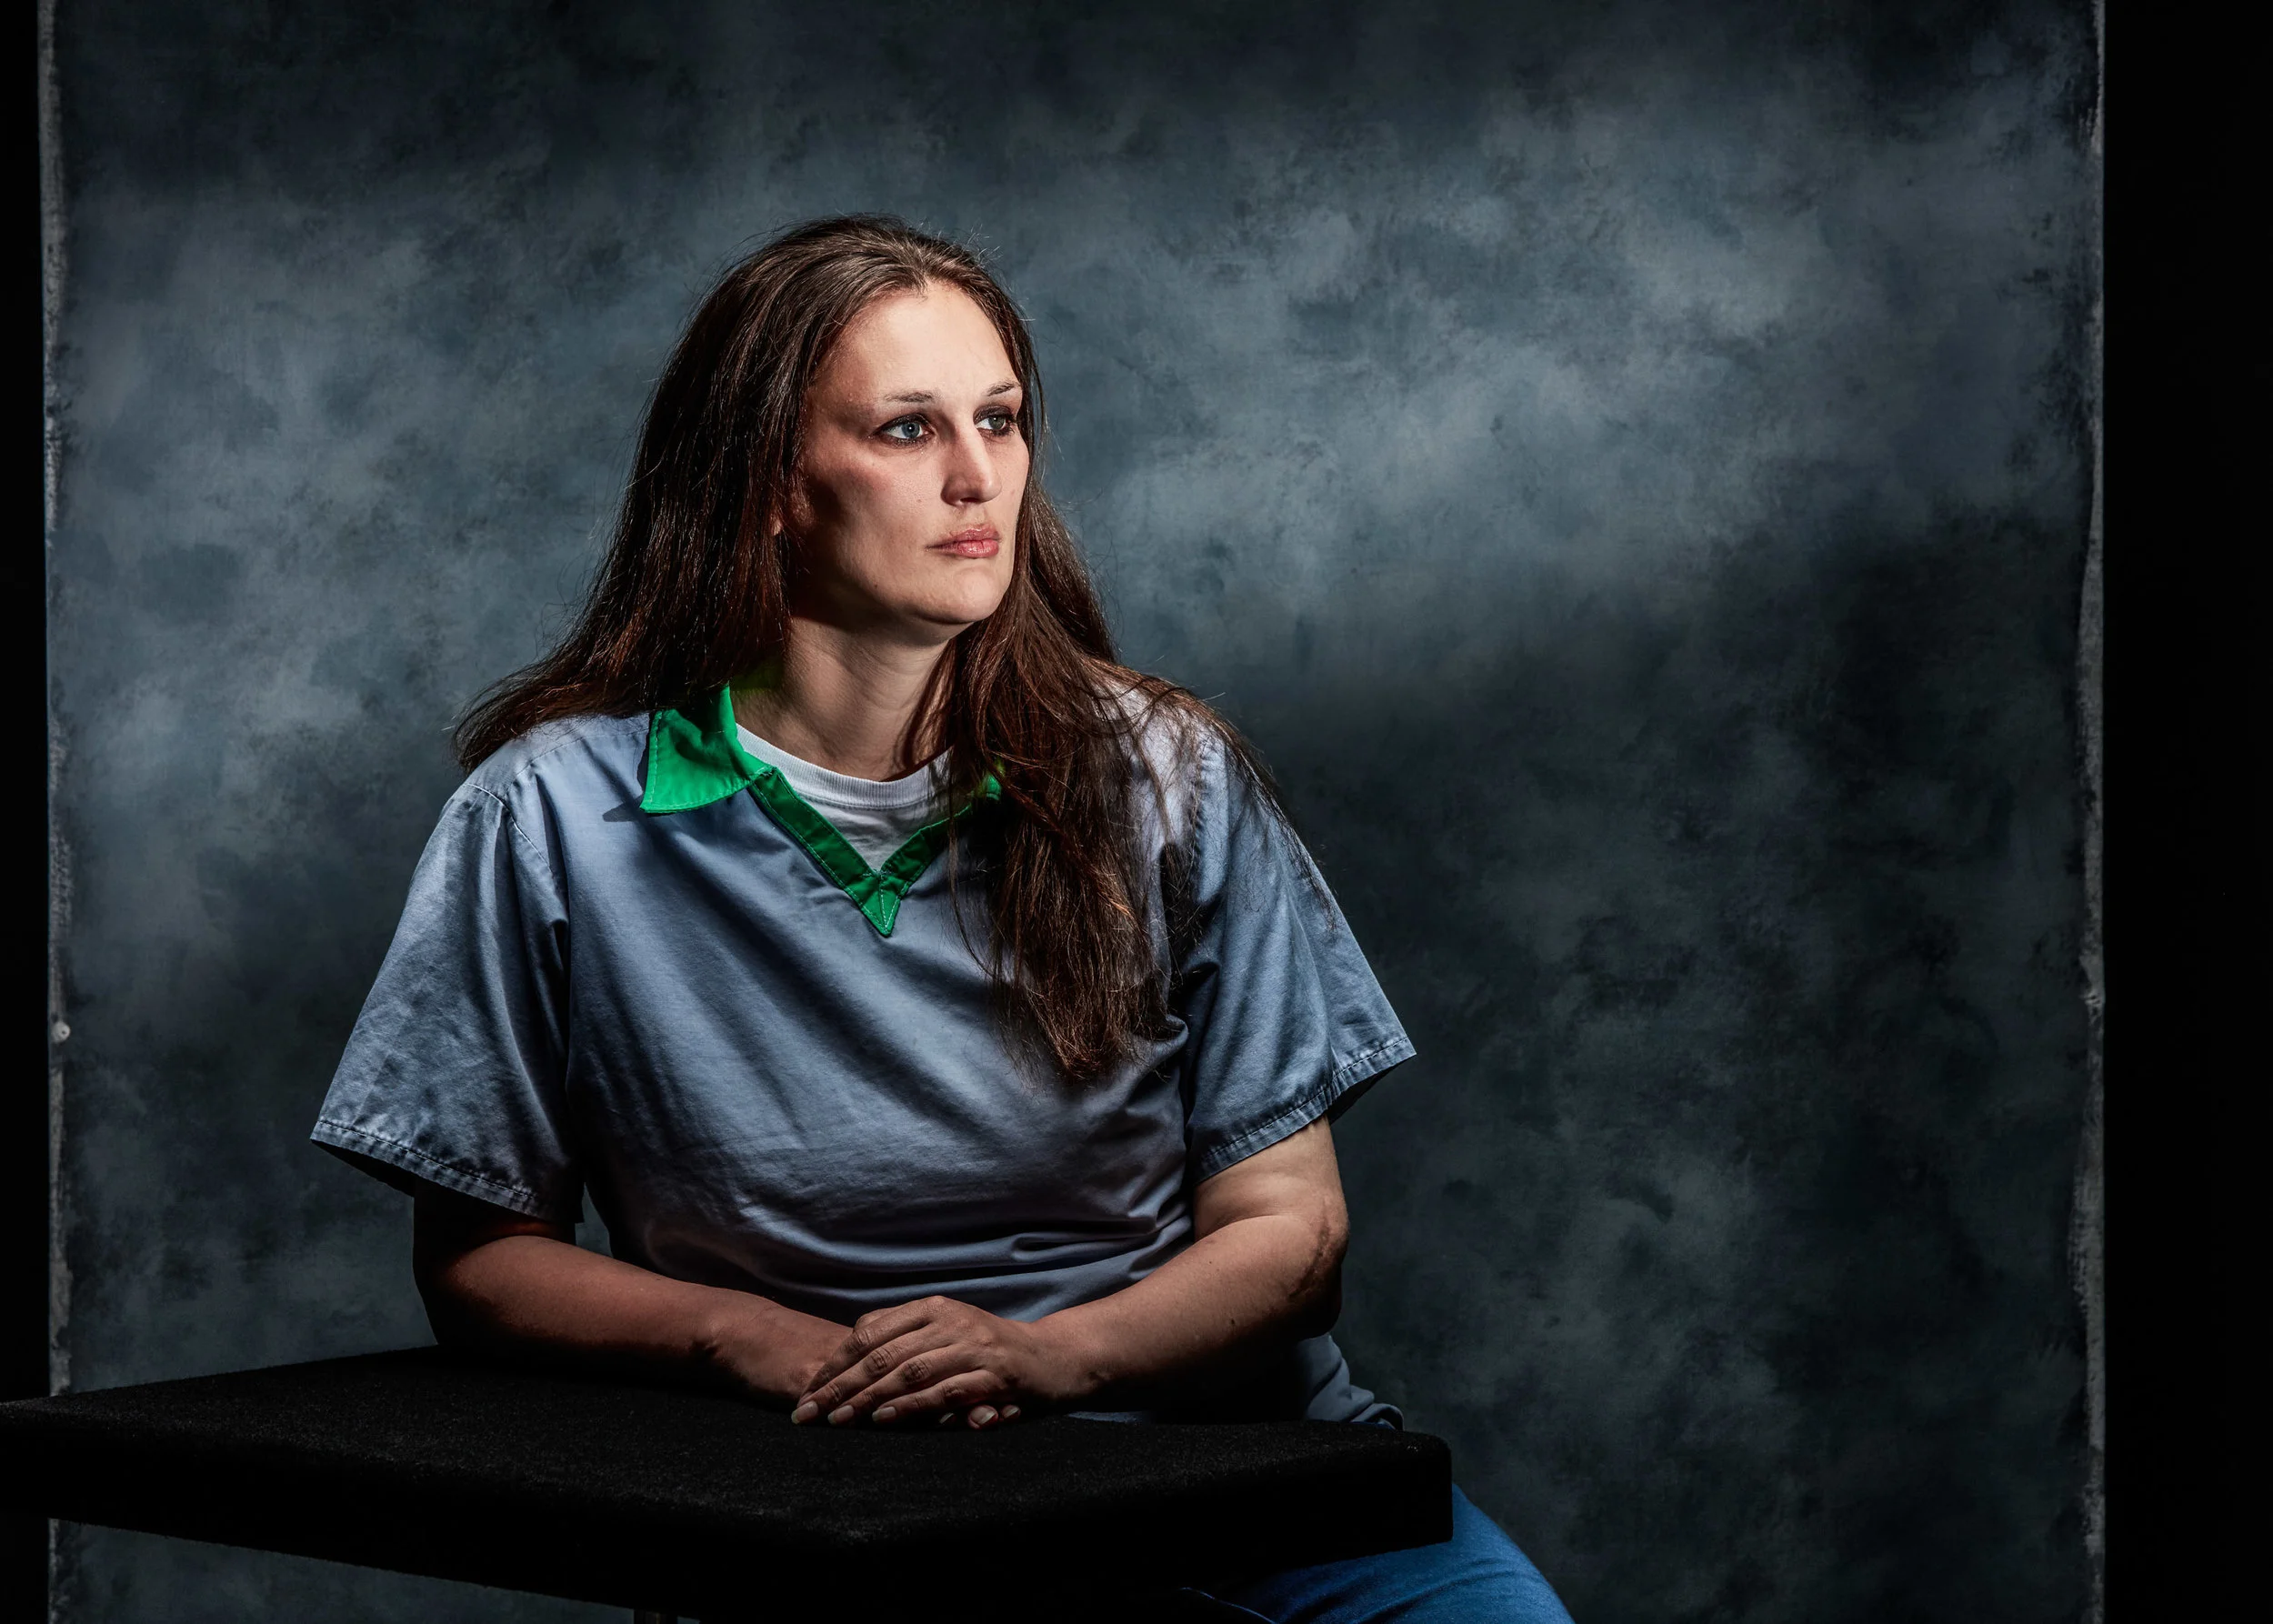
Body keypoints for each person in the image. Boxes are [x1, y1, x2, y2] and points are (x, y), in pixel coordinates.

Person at [312, 215, 1573, 1624]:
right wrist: (748, 1340)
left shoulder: (1165, 775)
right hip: (831, 1499)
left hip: (1235, 1471)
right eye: (908, 429)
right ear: (767, 485)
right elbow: (480, 1261)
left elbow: (1292, 1232)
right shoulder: (546, 815)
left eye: (1001, 418)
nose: (979, 476)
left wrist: (1053, 1357)